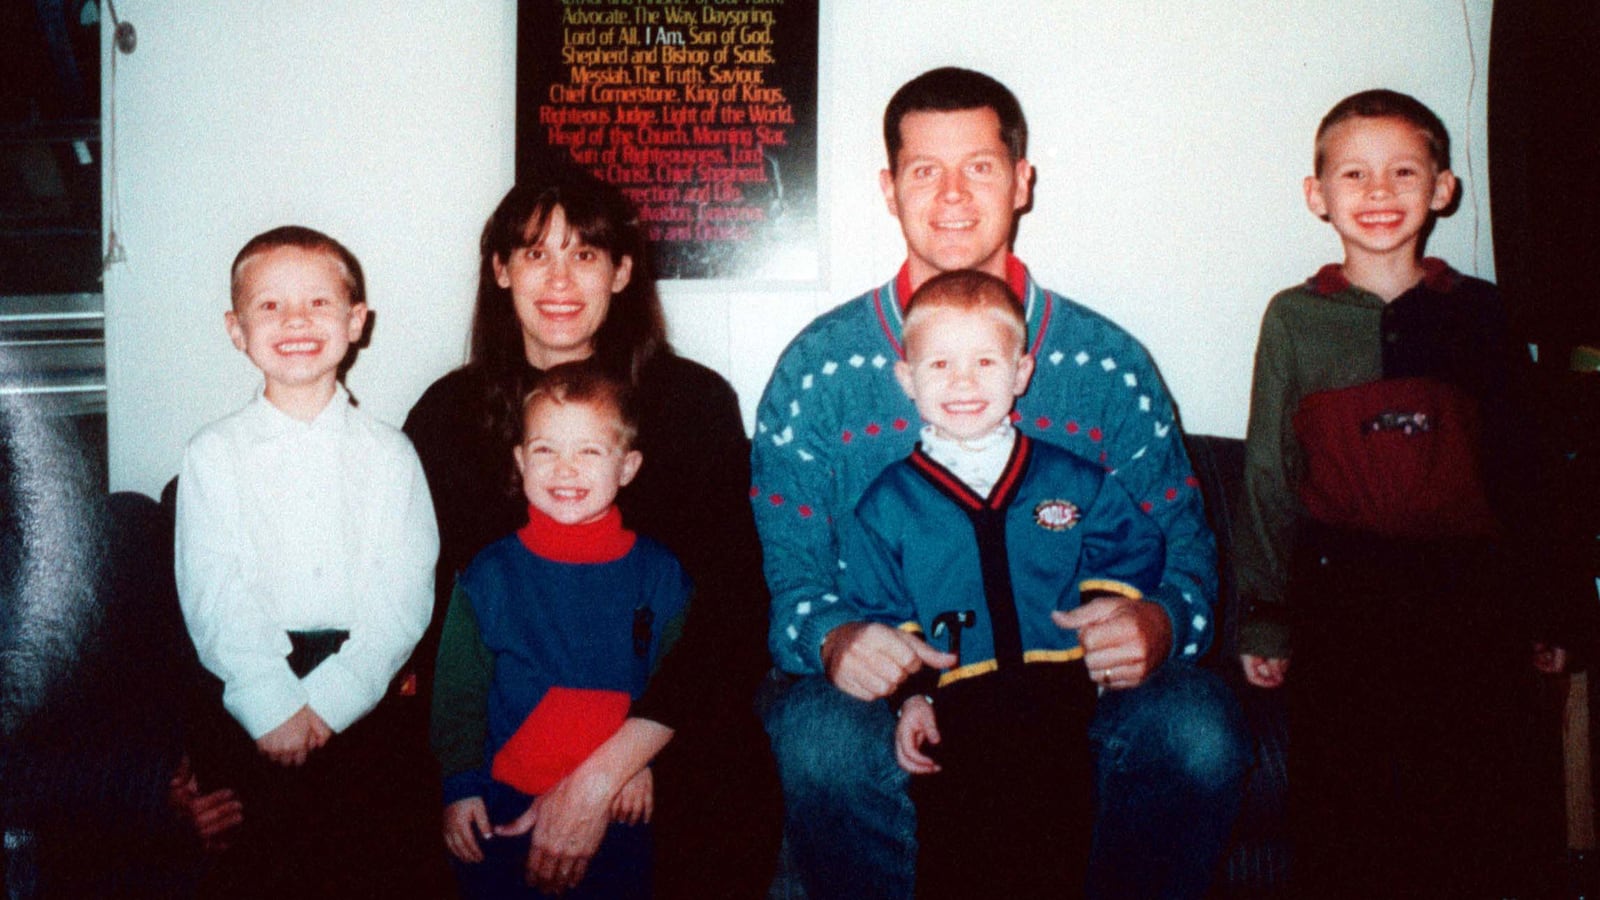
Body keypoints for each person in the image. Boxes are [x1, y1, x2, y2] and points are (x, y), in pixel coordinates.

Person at [753, 66, 1249, 900]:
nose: (952, 195)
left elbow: (1192, 561)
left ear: (1022, 182)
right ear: (888, 188)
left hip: (1073, 684)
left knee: (1198, 732)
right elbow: (791, 585)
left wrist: (1161, 623)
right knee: (820, 744)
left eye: (979, 166)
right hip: (895, 694)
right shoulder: (818, 370)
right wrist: (838, 639)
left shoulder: (1107, 363)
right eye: (924, 171)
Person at [1233, 89, 1575, 897]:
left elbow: (1525, 468)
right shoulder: (1293, 321)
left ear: (1443, 189)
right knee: (1351, 809)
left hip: (1471, 601)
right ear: (1318, 195)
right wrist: (1266, 614)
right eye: (1355, 174)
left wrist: (1552, 607)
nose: (1379, 192)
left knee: (1486, 805)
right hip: (1344, 598)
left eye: (1403, 172)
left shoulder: (1480, 312)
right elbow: (1269, 473)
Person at [403, 167, 780, 899]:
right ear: (500, 270)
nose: (560, 279)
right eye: (536, 253)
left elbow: (734, 609)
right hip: (493, 731)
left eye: (584, 254)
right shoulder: (447, 418)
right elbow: (429, 618)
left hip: (656, 729)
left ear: (622, 270)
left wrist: (607, 771)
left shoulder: (692, 406)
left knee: (726, 791)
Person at [843, 270, 1167, 899]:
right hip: (957, 710)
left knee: (1060, 848)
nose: (963, 383)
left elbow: (1134, 543)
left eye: (985, 362)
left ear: (1020, 374)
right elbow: (878, 603)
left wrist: (1105, 607)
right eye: (939, 364)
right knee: (955, 856)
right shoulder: (887, 502)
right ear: (907, 379)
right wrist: (911, 695)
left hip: (1061, 696)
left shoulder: (1071, 478)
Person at [173, 226, 439, 898]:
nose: (295, 320)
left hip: (365, 695)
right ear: (236, 329)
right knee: (260, 873)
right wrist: (269, 703)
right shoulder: (213, 454)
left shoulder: (390, 455)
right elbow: (212, 591)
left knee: (373, 871)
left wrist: (331, 703)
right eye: (269, 306)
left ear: (356, 323)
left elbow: (404, 594)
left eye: (319, 303)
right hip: (249, 696)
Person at [432, 363, 688, 898]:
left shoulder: (661, 574)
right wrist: (459, 787)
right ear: (521, 460)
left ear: (627, 467)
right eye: (546, 450)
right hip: (502, 804)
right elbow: (457, 693)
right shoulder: (488, 574)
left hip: (620, 804)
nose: (565, 470)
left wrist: (642, 764)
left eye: (589, 452)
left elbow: (678, 687)